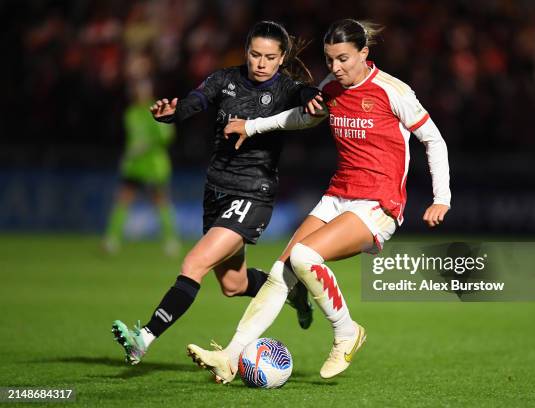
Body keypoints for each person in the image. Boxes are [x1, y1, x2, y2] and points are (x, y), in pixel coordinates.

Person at [186, 19, 451, 382]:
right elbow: (302, 118)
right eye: (329, 60)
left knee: (305, 256)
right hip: (337, 195)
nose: (335, 68)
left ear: (364, 53)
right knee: (281, 272)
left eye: (343, 59)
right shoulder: (330, 87)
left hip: (378, 204)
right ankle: (230, 357)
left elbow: (433, 140)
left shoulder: (392, 91)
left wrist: (442, 198)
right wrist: (252, 126)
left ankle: (347, 331)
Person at [111, 21, 320, 365]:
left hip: (253, 193)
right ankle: (294, 291)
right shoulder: (225, 80)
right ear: (246, 52)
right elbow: (196, 100)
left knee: (195, 262)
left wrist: (311, 96)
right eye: (255, 54)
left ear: (282, 59)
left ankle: (143, 339)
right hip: (216, 191)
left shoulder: (286, 88)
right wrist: (173, 112)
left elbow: (303, 95)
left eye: (269, 57)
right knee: (234, 285)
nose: (261, 63)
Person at [103, 78, 180, 256]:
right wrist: (128, 156)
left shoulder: (158, 109)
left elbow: (167, 136)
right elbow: (131, 140)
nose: (140, 92)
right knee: (123, 198)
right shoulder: (130, 113)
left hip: (154, 164)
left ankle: (171, 240)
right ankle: (111, 240)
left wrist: (148, 144)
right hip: (135, 165)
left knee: (161, 200)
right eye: (137, 89)